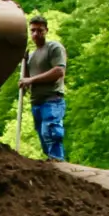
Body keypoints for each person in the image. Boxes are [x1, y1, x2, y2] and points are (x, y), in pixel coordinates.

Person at [21, 17, 68, 162]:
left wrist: (31, 80)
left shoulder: (54, 48)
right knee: (43, 136)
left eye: (39, 30)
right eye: (33, 30)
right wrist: (24, 64)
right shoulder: (31, 55)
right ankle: (54, 165)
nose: (35, 34)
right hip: (37, 101)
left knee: (52, 132)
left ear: (46, 30)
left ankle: (58, 163)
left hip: (52, 99)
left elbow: (59, 71)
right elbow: (27, 80)